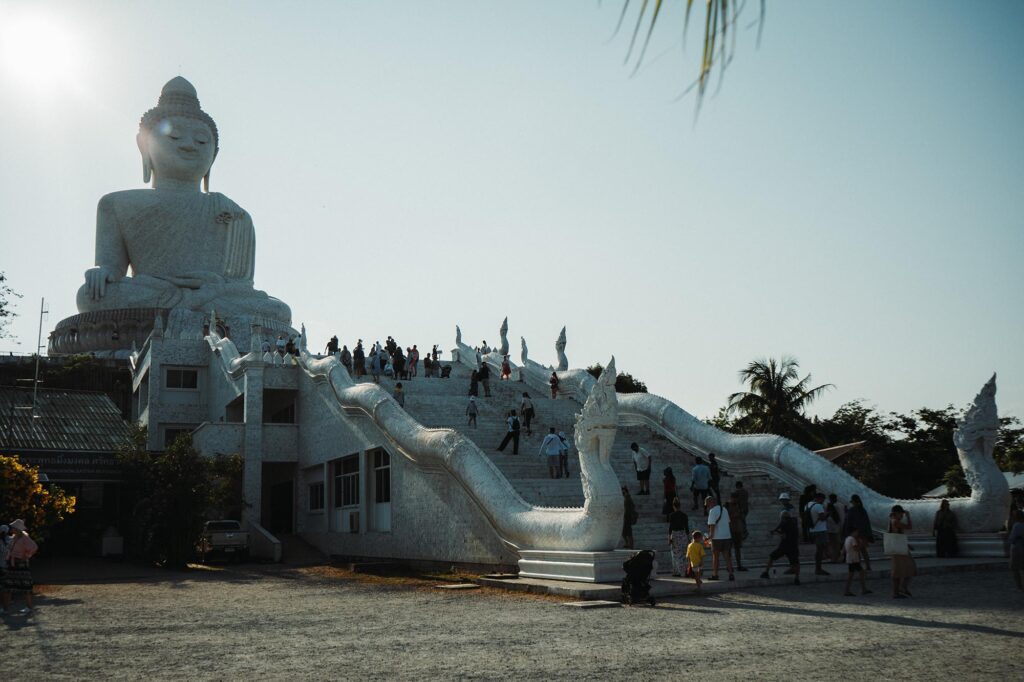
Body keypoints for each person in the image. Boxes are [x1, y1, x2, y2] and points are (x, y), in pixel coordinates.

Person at [760, 492, 801, 585]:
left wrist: (775, 531)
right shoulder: (792, 520)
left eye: (784, 500)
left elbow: (782, 528)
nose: (783, 501)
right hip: (793, 543)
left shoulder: (788, 513)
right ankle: (797, 578)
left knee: (772, 556)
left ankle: (766, 572)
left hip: (785, 544)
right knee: (795, 561)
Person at [2, 519, 38, 616]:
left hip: (21, 565)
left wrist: (26, 556)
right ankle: (5, 608)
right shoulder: (15, 538)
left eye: (13, 527)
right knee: (8, 586)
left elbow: (34, 547)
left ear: (17, 529)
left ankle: (29, 607)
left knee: (25, 586)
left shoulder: (24, 538)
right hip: (13, 564)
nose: (11, 529)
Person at [887, 505, 917, 599]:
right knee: (901, 569)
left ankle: (900, 588)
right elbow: (909, 526)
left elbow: (898, 535)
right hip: (898, 549)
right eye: (901, 514)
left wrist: (907, 545)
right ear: (897, 513)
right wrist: (908, 516)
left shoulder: (892, 521)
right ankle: (898, 590)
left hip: (898, 547)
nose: (902, 516)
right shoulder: (895, 521)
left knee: (902, 569)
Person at [705, 495, 735, 581]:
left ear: (711, 502)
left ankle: (715, 574)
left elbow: (712, 525)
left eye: (707, 504)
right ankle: (731, 574)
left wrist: (709, 536)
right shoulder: (724, 509)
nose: (707, 506)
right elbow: (728, 522)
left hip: (717, 537)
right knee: (727, 557)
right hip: (726, 536)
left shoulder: (712, 511)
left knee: (716, 557)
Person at [842, 494, 874, 571]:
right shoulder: (862, 510)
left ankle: (859, 566)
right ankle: (867, 566)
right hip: (862, 534)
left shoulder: (852, 510)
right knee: (862, 550)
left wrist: (847, 533)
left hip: (855, 534)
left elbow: (848, 522)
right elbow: (866, 523)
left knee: (857, 551)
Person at [805, 492, 830, 576]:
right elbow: (822, 518)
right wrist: (827, 514)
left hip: (812, 530)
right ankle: (818, 569)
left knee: (819, 549)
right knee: (820, 550)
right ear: (819, 498)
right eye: (823, 499)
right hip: (820, 530)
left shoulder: (807, 505)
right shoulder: (818, 506)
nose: (823, 501)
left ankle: (818, 567)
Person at [842, 528, 872, 596]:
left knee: (859, 573)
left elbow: (844, 549)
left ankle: (862, 588)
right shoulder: (852, 539)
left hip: (851, 559)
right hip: (853, 559)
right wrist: (862, 544)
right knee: (852, 575)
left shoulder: (847, 538)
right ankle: (848, 590)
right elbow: (856, 549)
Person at [725, 492, 749, 572]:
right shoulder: (727, 505)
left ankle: (739, 566)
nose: (736, 500)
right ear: (732, 498)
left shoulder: (738, 505)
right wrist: (735, 515)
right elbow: (725, 517)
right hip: (729, 530)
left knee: (737, 549)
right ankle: (729, 566)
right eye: (735, 498)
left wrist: (744, 529)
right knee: (729, 549)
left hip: (738, 530)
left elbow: (742, 518)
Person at [667, 498, 691, 576]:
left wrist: (669, 538)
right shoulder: (684, 515)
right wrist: (688, 538)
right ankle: (686, 571)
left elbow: (671, 527)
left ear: (673, 506)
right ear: (680, 506)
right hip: (683, 535)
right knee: (684, 554)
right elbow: (687, 528)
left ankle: (677, 572)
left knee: (676, 554)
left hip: (675, 535)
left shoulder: (672, 515)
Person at [1008, 509, 1023, 590]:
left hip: (1016, 548)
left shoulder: (1016, 525)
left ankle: (1019, 585)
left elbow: (1012, 539)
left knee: (1014, 568)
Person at [826, 493, 843, 563]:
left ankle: (834, 558)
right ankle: (837, 557)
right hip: (839, 525)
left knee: (833, 544)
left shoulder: (832, 506)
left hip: (832, 528)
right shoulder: (841, 505)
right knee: (837, 543)